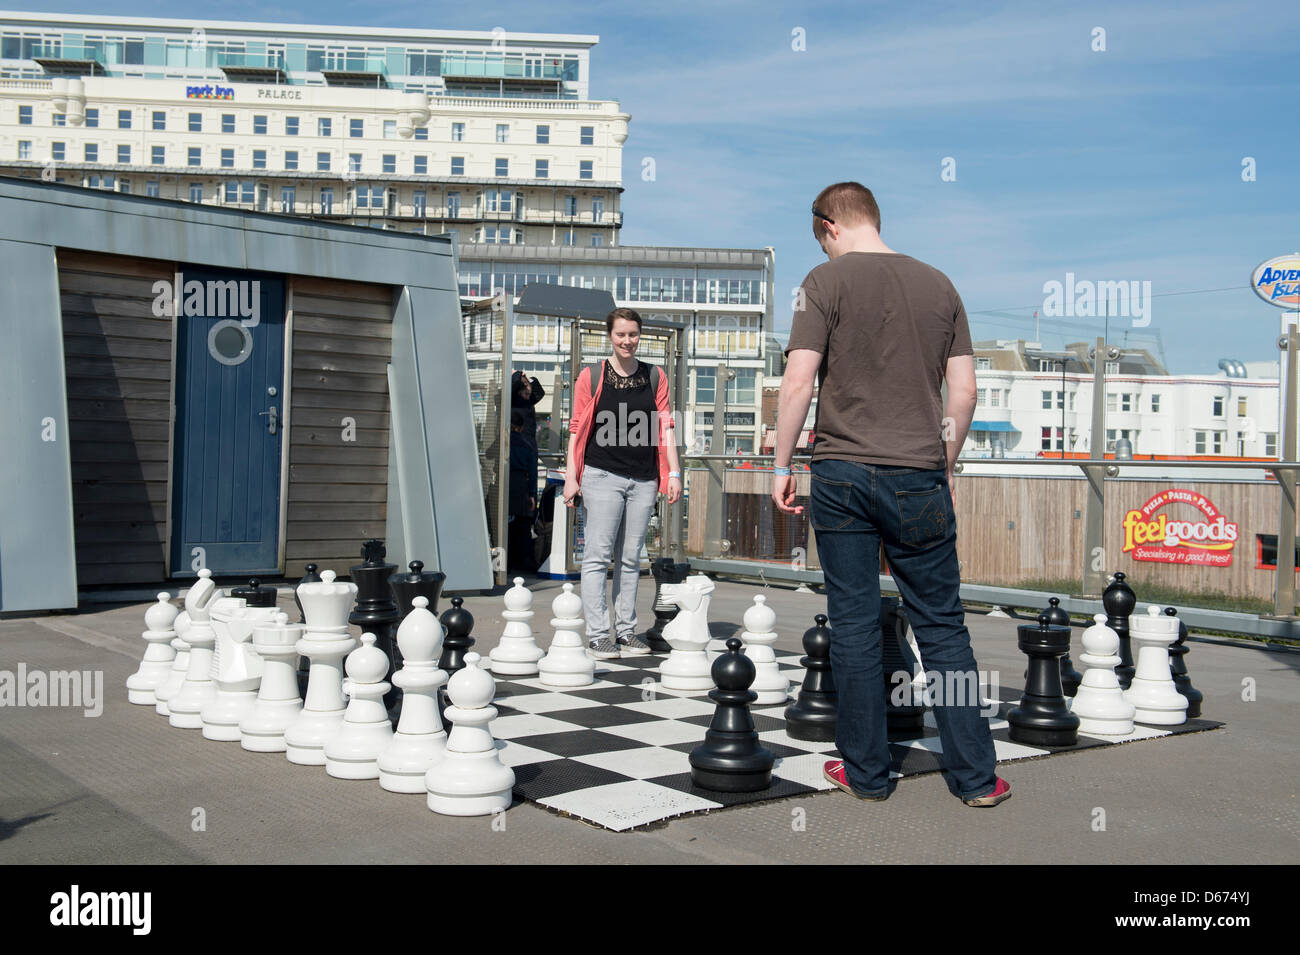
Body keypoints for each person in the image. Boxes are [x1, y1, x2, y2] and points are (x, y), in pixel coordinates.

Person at [772, 181, 1011, 808]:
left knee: (851, 626)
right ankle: (978, 780)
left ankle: (868, 775)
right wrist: (944, 463)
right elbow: (965, 393)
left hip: (843, 473)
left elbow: (798, 380)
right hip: (920, 474)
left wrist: (780, 463)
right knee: (943, 630)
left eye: (820, 240)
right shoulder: (940, 283)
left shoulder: (823, 284)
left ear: (828, 226)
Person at [564, 307, 682, 658]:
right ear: (610, 336)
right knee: (598, 557)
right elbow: (575, 430)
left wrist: (673, 472)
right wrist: (572, 477)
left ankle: (626, 631)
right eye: (620, 334)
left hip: (644, 478)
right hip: (601, 474)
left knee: (631, 558)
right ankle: (599, 634)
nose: (627, 341)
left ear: (639, 335)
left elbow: (666, 427)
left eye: (632, 334)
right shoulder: (592, 376)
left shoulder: (655, 376)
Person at [507, 410, 539, 574]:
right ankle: (522, 560)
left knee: (505, 525)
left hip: (505, 483)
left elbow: (490, 457)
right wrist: (532, 494)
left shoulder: (502, 441)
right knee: (521, 525)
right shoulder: (527, 444)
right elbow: (533, 472)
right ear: (521, 427)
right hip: (521, 485)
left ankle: (506, 562)